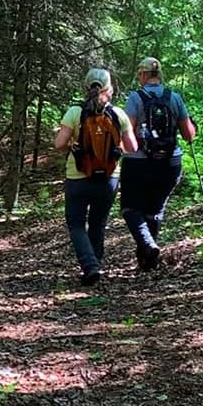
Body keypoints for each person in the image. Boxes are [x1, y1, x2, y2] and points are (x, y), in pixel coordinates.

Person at [53, 68, 138, 285]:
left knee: (76, 225)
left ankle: (90, 266)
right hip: (109, 178)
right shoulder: (118, 114)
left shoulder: (74, 112)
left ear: (85, 87)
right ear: (110, 89)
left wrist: (73, 147)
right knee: (98, 223)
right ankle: (95, 265)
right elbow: (132, 147)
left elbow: (59, 144)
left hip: (77, 177)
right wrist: (116, 149)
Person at [121, 57, 197, 271]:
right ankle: (148, 261)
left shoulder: (135, 98)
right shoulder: (174, 97)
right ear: (159, 75)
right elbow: (189, 135)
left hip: (139, 163)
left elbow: (127, 132)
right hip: (170, 162)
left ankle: (148, 245)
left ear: (143, 75)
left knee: (130, 208)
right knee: (154, 210)